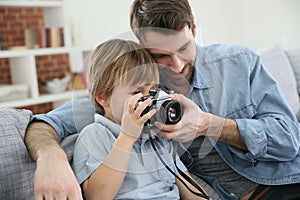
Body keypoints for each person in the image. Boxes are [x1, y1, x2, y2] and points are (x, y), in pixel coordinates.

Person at [25, 0, 300, 199]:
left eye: (183, 48)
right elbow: (45, 124)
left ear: (193, 29)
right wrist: (50, 157)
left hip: (282, 182)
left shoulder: (239, 63)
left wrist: (209, 125)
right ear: (143, 48)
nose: (177, 65)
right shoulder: (133, 95)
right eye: (161, 56)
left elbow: (290, 140)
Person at [72, 38, 208, 199]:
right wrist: (127, 137)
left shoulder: (156, 137)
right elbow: (98, 195)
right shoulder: (95, 135)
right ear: (103, 97)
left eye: (153, 91)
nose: (149, 100)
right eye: (136, 92)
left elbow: (190, 189)